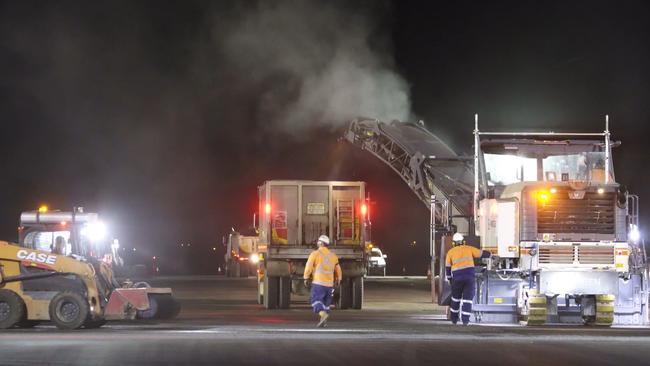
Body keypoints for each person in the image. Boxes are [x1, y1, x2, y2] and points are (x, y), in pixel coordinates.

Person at [445, 233, 495, 325]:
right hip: (469, 278)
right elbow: (481, 253)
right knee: (467, 300)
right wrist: (491, 254)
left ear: (453, 243)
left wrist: (449, 279)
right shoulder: (469, 248)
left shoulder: (450, 252)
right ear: (463, 242)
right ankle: (465, 321)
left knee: (455, 299)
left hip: (457, 279)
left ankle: (454, 320)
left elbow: (447, 267)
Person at [303, 234, 342, 328]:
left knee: (315, 300)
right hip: (329, 284)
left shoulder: (315, 254)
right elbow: (338, 269)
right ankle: (323, 321)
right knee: (326, 304)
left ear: (320, 243)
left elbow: (308, 266)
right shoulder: (333, 256)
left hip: (318, 283)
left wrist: (306, 277)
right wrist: (339, 279)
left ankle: (323, 315)